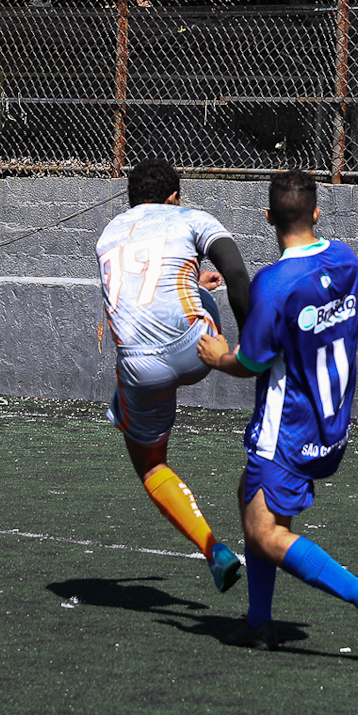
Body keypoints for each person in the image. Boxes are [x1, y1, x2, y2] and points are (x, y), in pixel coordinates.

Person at [197, 169, 358, 661]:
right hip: (331, 423)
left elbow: (252, 361)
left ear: (268, 218)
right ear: (316, 213)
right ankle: (259, 624)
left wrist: (218, 355)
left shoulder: (275, 283)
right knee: (255, 505)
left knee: (265, 533)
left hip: (286, 425)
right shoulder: (345, 260)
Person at [96, 156, 252, 592]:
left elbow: (129, 297)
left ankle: (212, 549)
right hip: (196, 349)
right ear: (174, 197)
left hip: (140, 367)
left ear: (131, 201)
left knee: (150, 465)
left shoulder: (108, 234)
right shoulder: (192, 217)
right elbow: (237, 273)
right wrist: (251, 345)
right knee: (205, 294)